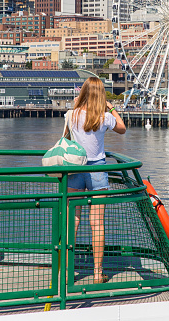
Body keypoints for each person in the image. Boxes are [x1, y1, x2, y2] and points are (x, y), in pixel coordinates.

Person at [65, 77, 126, 284]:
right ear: (101, 95)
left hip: (74, 168)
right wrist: (112, 108)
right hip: (97, 169)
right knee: (97, 224)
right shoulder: (104, 117)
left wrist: (76, 105)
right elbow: (122, 128)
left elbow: (67, 137)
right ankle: (98, 273)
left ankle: (66, 271)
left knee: (71, 221)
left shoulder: (72, 115)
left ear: (83, 92)